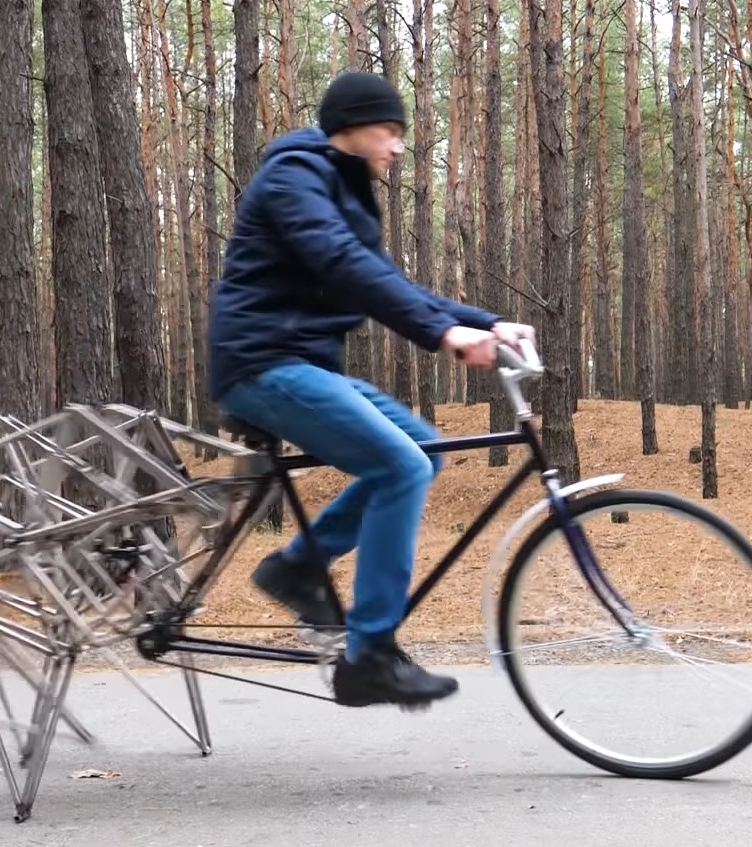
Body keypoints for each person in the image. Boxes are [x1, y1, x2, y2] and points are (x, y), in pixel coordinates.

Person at [206, 70, 535, 709]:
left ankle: (297, 566)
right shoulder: (292, 177)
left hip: (304, 366)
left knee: (423, 450)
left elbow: (390, 282)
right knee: (400, 465)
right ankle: (370, 654)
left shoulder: (340, 190)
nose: (399, 146)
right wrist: (443, 336)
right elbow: (341, 264)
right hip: (261, 365)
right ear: (350, 128)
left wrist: (483, 321)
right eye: (390, 131)